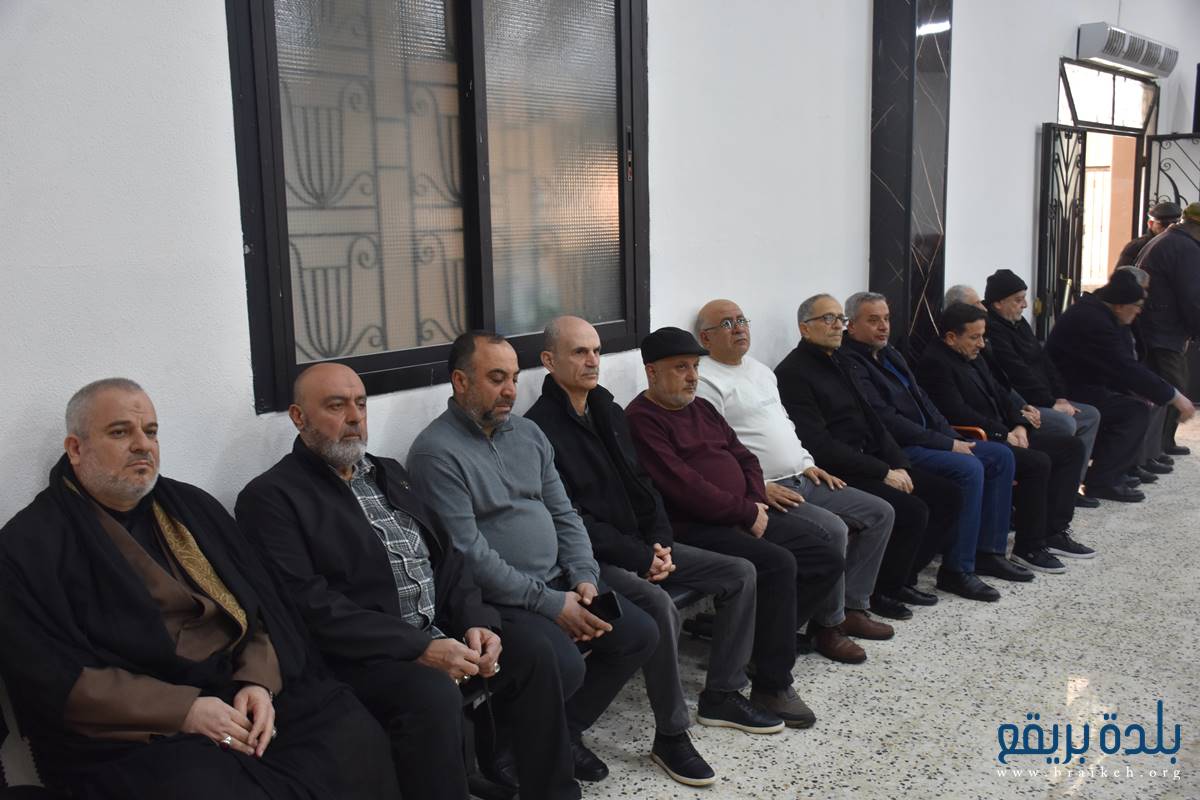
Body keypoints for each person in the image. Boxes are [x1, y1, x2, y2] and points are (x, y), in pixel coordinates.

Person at [0, 378, 399, 800]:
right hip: (143, 728)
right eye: (120, 432)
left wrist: (258, 684)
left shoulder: (192, 509)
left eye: (151, 432)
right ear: (76, 449)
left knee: (347, 732)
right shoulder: (29, 547)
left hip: (239, 688)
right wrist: (185, 710)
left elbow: (262, 611)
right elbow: (54, 678)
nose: (142, 445)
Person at [236, 363, 579, 800]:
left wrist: (477, 622)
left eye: (361, 404)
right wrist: (418, 647)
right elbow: (310, 604)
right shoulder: (272, 497)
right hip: (361, 655)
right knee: (432, 695)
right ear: (298, 417)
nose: (355, 417)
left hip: (436, 629)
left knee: (533, 652)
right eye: (336, 406)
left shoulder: (388, 472)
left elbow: (448, 559)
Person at [526, 316, 782, 787]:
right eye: (579, 352)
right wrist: (640, 558)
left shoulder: (606, 408)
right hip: (594, 558)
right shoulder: (538, 429)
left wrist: (659, 541)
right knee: (659, 606)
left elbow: (643, 484)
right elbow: (572, 519)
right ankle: (672, 734)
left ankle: (723, 693)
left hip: (644, 545)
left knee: (740, 572)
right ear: (549, 360)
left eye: (596, 351)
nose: (592, 361)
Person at [407, 332, 658, 783]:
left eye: (514, 378)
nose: (510, 390)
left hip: (560, 580)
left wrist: (584, 577)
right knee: (563, 663)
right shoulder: (436, 452)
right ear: (461, 381)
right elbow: (467, 553)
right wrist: (551, 604)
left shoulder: (528, 433)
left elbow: (564, 513)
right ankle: (508, 743)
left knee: (638, 634)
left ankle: (561, 733)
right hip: (499, 599)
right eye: (496, 378)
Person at [624, 327, 841, 722]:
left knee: (823, 555)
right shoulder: (642, 420)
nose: (692, 376)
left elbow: (745, 457)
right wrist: (744, 513)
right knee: (778, 563)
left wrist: (755, 503)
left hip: (741, 512)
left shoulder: (702, 408)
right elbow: (683, 487)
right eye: (680, 368)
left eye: (695, 366)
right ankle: (771, 685)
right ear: (652, 372)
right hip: (690, 526)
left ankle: (763, 646)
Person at [692, 299, 904, 638]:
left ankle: (853, 607)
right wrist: (758, 486)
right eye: (728, 324)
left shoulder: (760, 370)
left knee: (880, 512)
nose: (740, 329)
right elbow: (716, 450)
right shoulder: (704, 380)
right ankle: (828, 626)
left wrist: (807, 462)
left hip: (802, 475)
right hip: (768, 488)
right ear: (706, 338)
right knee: (833, 530)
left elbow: (785, 424)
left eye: (742, 320)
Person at [773, 296, 989, 602]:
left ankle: (904, 577)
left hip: (869, 459)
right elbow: (818, 444)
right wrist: (883, 472)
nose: (837, 326)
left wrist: (898, 464)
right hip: (837, 469)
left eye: (839, 319)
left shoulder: (842, 361)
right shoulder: (793, 372)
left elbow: (874, 421)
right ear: (804, 328)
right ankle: (883, 590)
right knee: (912, 509)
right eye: (828, 319)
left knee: (947, 494)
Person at [839, 293, 1035, 590]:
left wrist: (952, 437)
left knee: (1000, 456)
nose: (883, 326)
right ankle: (957, 569)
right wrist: (947, 445)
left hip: (930, 439)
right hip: (898, 449)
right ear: (851, 325)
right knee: (969, 468)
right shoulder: (851, 362)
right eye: (873, 320)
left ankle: (989, 552)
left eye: (887, 319)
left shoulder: (890, 353)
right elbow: (886, 420)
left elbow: (926, 403)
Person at [916, 303, 1091, 574]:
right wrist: (1002, 433)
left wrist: (1019, 424)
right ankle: (1028, 547)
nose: (981, 344)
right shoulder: (935, 363)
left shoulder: (975, 356)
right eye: (974, 337)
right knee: (1037, 462)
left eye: (983, 336)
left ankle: (1054, 531)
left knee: (1070, 447)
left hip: (1003, 432)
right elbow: (956, 411)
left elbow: (1001, 393)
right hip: (976, 438)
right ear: (951, 337)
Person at [1046, 270, 1196, 497]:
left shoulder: (1103, 312)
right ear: (1119, 305)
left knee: (1136, 404)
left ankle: (1117, 471)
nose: (1139, 311)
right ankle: (1104, 481)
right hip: (1066, 390)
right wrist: (1175, 396)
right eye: (1137, 306)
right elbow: (1123, 366)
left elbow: (1126, 362)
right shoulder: (1093, 319)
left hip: (1086, 383)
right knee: (1132, 412)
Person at [979, 269, 1102, 496]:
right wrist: (1050, 403)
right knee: (1065, 423)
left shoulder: (1019, 323)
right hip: (1024, 404)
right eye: (1018, 300)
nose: (1025, 305)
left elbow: (1045, 361)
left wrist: (1060, 397)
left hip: (1046, 399)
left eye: (1024, 298)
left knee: (1091, 415)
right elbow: (1016, 373)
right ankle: (1055, 490)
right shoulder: (992, 330)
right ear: (997, 303)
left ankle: (1072, 487)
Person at [1134, 201, 1200, 456]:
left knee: (1162, 387)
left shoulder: (1170, 239)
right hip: (1163, 329)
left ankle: (1160, 446)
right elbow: (1192, 297)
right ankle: (1156, 449)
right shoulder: (1185, 247)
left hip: (1154, 325)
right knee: (1172, 387)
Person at [1116, 201, 1182, 267]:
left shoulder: (1183, 245)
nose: (1170, 227)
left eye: (1175, 223)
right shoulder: (1137, 246)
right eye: (1164, 224)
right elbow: (1122, 272)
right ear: (1151, 223)